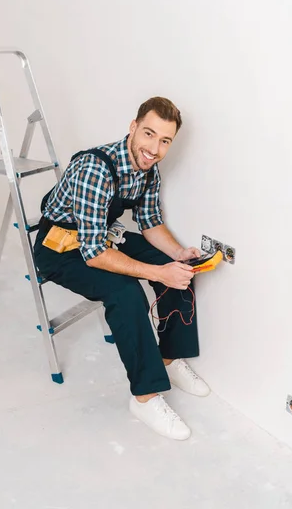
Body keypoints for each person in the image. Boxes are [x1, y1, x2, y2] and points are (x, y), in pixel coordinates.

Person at [34, 97, 210, 441]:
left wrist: (177, 253)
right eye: (149, 134)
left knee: (178, 268)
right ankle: (145, 398)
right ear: (133, 127)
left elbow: (150, 222)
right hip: (60, 248)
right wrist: (156, 274)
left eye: (165, 141)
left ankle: (169, 359)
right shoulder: (94, 168)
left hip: (98, 237)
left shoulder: (148, 169)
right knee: (126, 292)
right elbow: (95, 254)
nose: (154, 148)